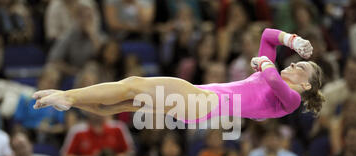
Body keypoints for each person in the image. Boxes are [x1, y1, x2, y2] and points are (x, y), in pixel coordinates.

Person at [32, 28, 325, 124]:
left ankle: (67, 95)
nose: (295, 64)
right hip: (200, 104)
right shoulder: (269, 72)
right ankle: (69, 103)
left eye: (301, 67)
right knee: (122, 105)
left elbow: (272, 78)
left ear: (306, 84)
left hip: (205, 102)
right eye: (297, 61)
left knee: (133, 85)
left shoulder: (290, 101)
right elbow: (266, 35)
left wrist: (264, 63)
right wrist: (293, 40)